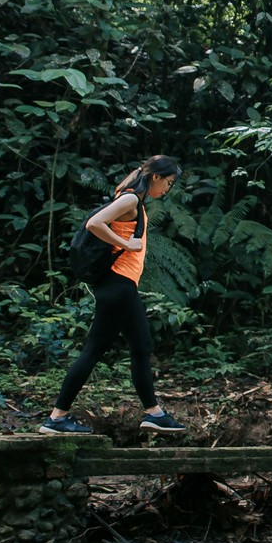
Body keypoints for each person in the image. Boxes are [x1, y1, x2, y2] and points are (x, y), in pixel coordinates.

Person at [43, 156, 188, 435]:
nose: (167, 190)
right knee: (95, 349)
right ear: (156, 177)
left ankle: (154, 414)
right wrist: (126, 244)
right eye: (168, 183)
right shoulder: (130, 200)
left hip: (123, 287)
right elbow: (95, 223)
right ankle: (57, 418)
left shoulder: (131, 199)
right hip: (116, 285)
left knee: (141, 346)